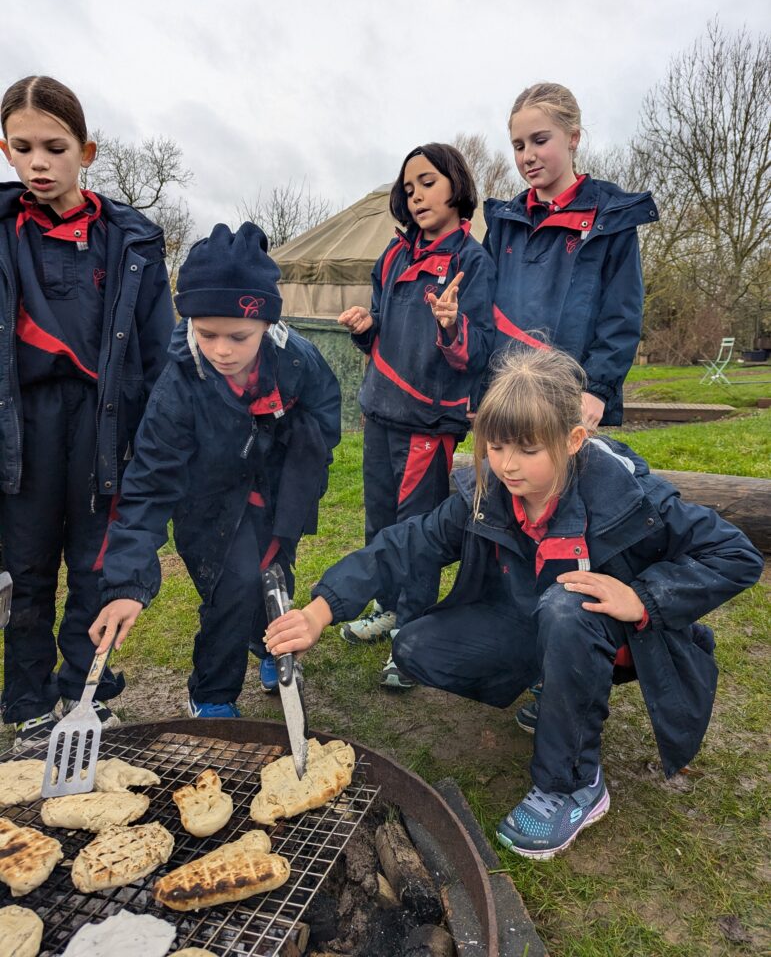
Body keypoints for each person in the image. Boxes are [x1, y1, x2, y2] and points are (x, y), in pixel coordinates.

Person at [263, 347, 763, 859]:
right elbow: (405, 544)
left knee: (567, 608)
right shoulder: (489, 494)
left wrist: (642, 598)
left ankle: (574, 786)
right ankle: (553, 691)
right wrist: (320, 609)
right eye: (496, 446)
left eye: (526, 450)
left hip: (620, 639)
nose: (506, 464)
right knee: (415, 647)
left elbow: (735, 555)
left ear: (572, 441)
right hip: (537, 622)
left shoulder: (630, 497)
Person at [88, 222, 341, 717]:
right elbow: (149, 484)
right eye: (206, 333)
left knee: (272, 570)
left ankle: (270, 643)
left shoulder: (297, 360)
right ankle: (212, 695)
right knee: (230, 587)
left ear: (267, 324)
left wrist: (294, 452)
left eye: (238, 336)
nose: (222, 349)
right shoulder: (178, 383)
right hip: (205, 499)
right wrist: (126, 585)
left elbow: (325, 411)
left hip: (273, 489)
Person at [0, 75, 174, 751]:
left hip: (106, 430)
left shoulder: (132, 240)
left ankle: (84, 691)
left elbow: (157, 350)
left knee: (95, 568)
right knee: (27, 568)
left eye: (54, 146)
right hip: (24, 428)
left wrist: (156, 438)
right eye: (22, 148)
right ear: (7, 150)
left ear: (87, 150)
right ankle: (27, 705)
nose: (39, 162)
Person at [337, 143, 495, 688]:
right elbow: (385, 331)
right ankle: (388, 609)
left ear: (455, 183)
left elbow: (478, 353)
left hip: (429, 423)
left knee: (418, 531)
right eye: (408, 188)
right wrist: (365, 328)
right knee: (380, 520)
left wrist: (452, 324)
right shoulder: (393, 256)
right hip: (380, 411)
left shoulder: (471, 262)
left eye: (427, 182)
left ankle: (414, 632)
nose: (417, 195)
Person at [484, 82, 659, 431]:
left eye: (539, 140)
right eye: (518, 146)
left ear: (573, 138)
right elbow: (481, 310)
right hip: (505, 396)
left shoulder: (610, 220)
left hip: (570, 402)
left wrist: (597, 389)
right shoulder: (503, 223)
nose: (527, 155)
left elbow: (621, 314)